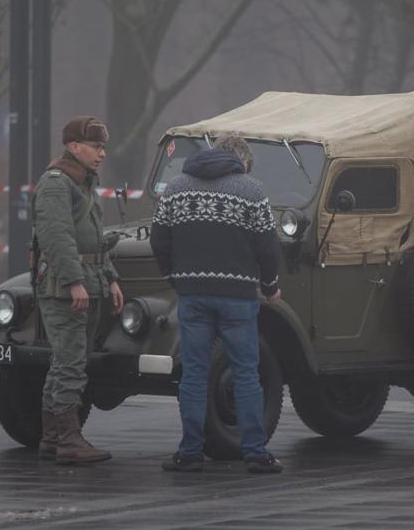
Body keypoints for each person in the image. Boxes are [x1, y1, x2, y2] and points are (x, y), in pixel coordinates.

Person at [150, 133, 283, 474]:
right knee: (245, 374)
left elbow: (158, 238)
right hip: (238, 297)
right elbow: (268, 245)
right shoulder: (251, 190)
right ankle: (255, 452)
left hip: (191, 296)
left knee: (193, 374)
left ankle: (190, 452)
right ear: (244, 162)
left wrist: (174, 278)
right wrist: (270, 286)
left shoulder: (176, 188)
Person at [32, 115, 124, 464]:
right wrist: (74, 282)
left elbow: (95, 239)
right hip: (64, 288)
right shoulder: (57, 183)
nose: (102, 154)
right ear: (74, 147)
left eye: (104, 147)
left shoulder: (81, 182)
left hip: (87, 279)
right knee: (70, 363)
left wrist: (111, 277)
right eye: (96, 147)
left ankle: (53, 437)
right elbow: (56, 239)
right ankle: (68, 441)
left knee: (65, 362)